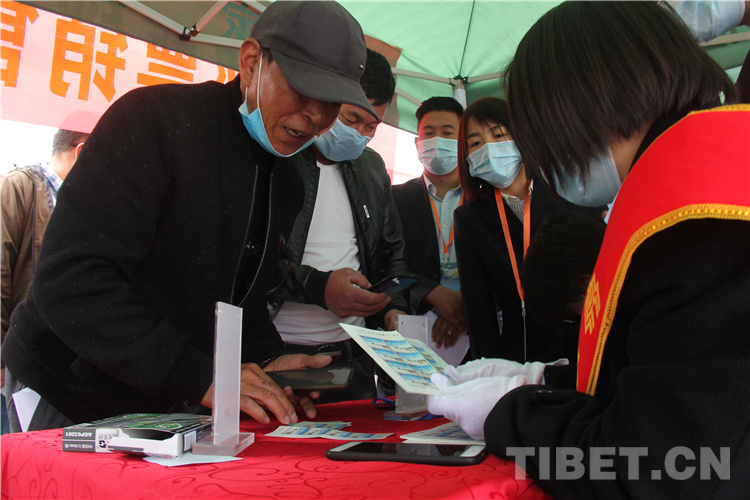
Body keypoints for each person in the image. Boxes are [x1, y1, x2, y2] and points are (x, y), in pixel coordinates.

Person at [1, 1, 374, 432]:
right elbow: (70, 280)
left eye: (331, 102)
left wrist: (270, 361)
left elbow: (239, 297)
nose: (316, 117)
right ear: (252, 61)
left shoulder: (287, 178)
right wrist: (199, 375)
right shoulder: (154, 121)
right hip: (68, 391)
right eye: (302, 88)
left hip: (168, 405)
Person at [428, 3, 749, 497]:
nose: (538, 155)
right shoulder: (706, 170)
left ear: (578, 103)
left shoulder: (696, 221)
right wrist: (550, 378)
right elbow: (666, 372)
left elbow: (656, 469)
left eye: (534, 130)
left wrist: (511, 413)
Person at [267, 48, 410, 403]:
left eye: (371, 126)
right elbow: (253, 262)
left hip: (354, 356)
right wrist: (319, 287)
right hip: (278, 352)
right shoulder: (278, 159)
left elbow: (391, 254)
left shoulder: (372, 167)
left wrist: (394, 308)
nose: (358, 134)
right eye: (350, 119)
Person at [453, 97, 601, 364]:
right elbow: (478, 307)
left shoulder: (570, 186)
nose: (489, 147)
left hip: (589, 335)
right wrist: (492, 370)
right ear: (466, 157)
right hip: (521, 350)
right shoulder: (469, 218)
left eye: (499, 134)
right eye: (475, 143)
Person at [0, 128, 89, 434]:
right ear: (82, 151)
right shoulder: (19, 187)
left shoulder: (84, 207)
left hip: (55, 367)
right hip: (15, 354)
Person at [392, 97, 468, 350]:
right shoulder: (393, 198)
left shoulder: (486, 198)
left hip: (477, 327)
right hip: (414, 328)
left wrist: (465, 307)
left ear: (463, 140)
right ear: (417, 142)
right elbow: (385, 262)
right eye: (429, 133)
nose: (437, 140)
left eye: (447, 133)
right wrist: (430, 291)